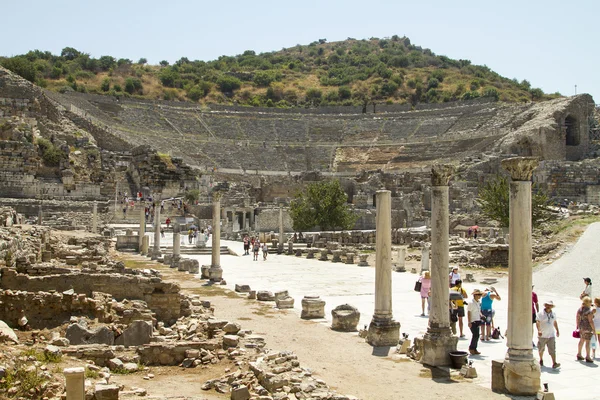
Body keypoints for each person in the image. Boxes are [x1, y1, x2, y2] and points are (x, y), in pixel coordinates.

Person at [536, 300, 560, 369]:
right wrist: (539, 330)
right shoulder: (540, 313)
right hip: (543, 335)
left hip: (551, 334)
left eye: (550, 305)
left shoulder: (553, 314)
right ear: (545, 305)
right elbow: (538, 322)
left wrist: (557, 330)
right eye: (548, 305)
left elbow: (555, 322)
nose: (549, 306)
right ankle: (541, 359)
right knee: (541, 348)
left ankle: (554, 362)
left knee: (552, 349)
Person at [576, 296, 596, 363]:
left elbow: (577, 317)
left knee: (581, 340)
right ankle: (587, 356)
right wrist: (593, 329)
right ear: (588, 303)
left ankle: (579, 353)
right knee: (588, 341)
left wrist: (578, 325)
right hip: (587, 327)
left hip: (581, 327)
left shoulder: (580, 309)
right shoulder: (589, 311)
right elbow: (590, 321)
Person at [468, 289, 484, 355]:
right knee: (475, 335)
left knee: (477, 335)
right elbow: (469, 312)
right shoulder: (471, 303)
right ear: (474, 295)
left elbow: (478, 311)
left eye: (480, 295)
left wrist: (481, 315)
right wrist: (469, 322)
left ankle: (474, 348)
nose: (479, 296)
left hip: (478, 320)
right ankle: (471, 348)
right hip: (473, 321)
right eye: (478, 295)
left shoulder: (478, 302)